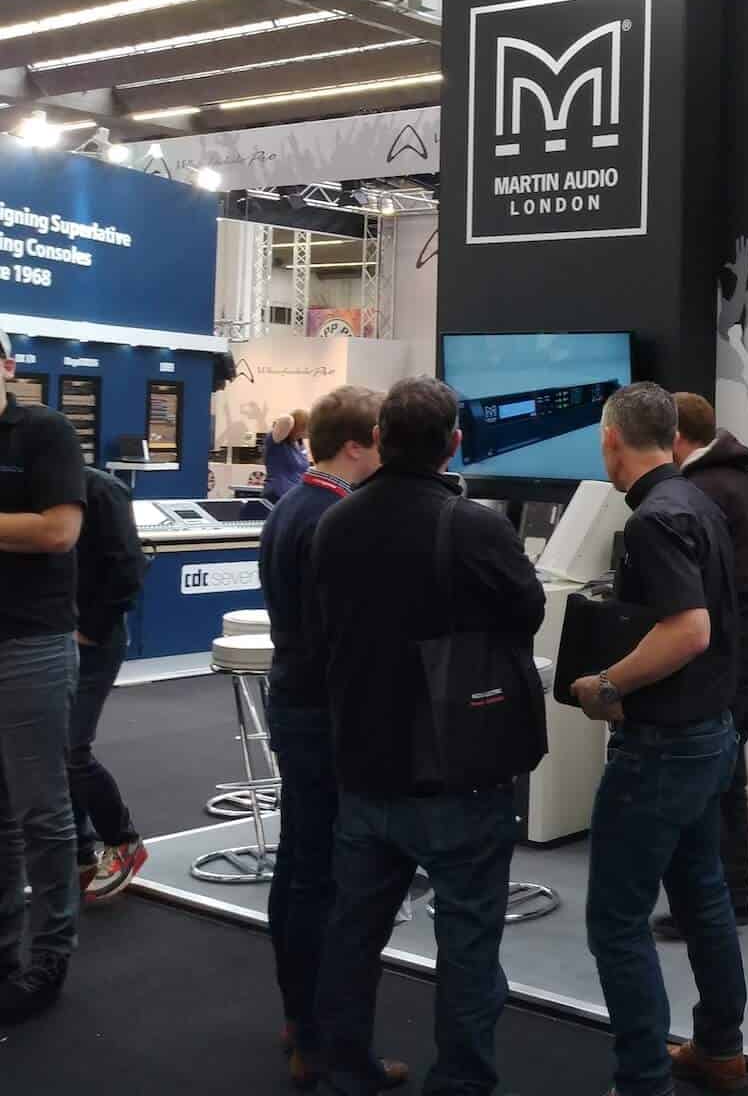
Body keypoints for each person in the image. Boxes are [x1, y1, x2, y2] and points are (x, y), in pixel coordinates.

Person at [308, 377, 544, 1096]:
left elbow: (323, 630)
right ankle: (460, 1083)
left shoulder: (335, 523)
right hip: (456, 766)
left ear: (381, 439)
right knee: (468, 943)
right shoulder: (474, 526)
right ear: (455, 443)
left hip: (362, 762)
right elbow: (528, 611)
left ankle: (343, 1070)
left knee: (352, 935)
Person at [571, 382, 747, 1096]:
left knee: (615, 920)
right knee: (703, 894)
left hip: (662, 748)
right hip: (709, 736)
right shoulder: (700, 502)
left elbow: (689, 629)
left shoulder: (654, 520)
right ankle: (720, 1049)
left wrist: (606, 685)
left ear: (611, 439)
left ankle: (643, 1080)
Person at [256, 385, 393, 1089]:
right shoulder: (337, 517)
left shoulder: (291, 507)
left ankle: (300, 1020)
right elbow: (349, 633)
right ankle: (321, 1038)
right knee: (327, 878)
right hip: (328, 715)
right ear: (359, 443)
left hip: (296, 703)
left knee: (299, 866)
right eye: (385, 438)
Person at [653, 393, 748, 941]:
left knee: (704, 781)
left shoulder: (700, 490)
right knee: (726, 778)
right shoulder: (736, 478)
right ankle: (731, 898)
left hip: (727, 649)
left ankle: (705, 908)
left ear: (676, 438)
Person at [0, 329, 85, 1023]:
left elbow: (58, 531)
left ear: (6, 365)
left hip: (30, 642)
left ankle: (51, 956)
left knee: (40, 810)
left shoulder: (44, 432)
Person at [67, 465, 149, 907]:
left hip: (92, 640)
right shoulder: (29, 489)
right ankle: (79, 854)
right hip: (45, 634)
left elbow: (128, 570)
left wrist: (90, 629)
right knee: (50, 751)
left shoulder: (100, 490)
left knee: (70, 749)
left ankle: (122, 841)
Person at [263, 408, 312, 501]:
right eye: (307, 426)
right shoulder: (276, 440)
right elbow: (286, 420)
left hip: (294, 495)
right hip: (277, 495)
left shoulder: (300, 443)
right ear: (299, 427)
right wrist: (296, 418)